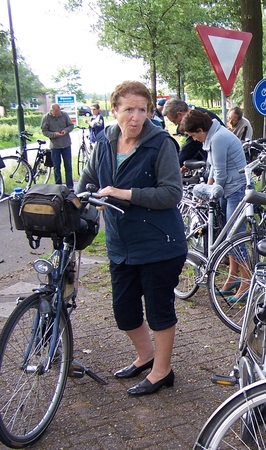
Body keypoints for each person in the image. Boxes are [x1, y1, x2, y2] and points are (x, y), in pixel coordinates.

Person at [77, 81, 187, 395]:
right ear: (114, 111)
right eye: (128, 110)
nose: (136, 117)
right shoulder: (104, 142)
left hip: (159, 243)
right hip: (120, 244)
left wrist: (124, 194)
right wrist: (70, 200)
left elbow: (171, 193)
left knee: (158, 311)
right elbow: (87, 182)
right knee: (124, 311)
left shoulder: (161, 143)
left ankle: (163, 371)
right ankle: (145, 356)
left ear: (150, 112)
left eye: (142, 110)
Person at [180, 110, 249, 302]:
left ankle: (247, 280)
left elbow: (220, 174)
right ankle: (233, 277)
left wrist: (208, 191)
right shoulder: (213, 136)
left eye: (194, 135)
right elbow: (212, 170)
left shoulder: (218, 139)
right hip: (227, 189)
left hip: (235, 189)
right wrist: (207, 191)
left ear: (201, 129)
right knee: (228, 235)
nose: (194, 139)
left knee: (234, 236)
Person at [163, 98, 223, 168]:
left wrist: (173, 168)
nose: (176, 124)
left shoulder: (196, 120)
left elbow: (189, 149)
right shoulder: (199, 113)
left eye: (174, 121)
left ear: (179, 114)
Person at [41, 104, 75, 188]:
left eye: (58, 113)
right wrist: (54, 134)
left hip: (66, 144)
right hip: (55, 146)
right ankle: (58, 186)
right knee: (56, 167)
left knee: (68, 166)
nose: (56, 115)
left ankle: (70, 186)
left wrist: (65, 131)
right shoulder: (46, 118)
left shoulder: (64, 115)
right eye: (55, 114)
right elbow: (44, 131)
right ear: (51, 111)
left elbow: (71, 125)